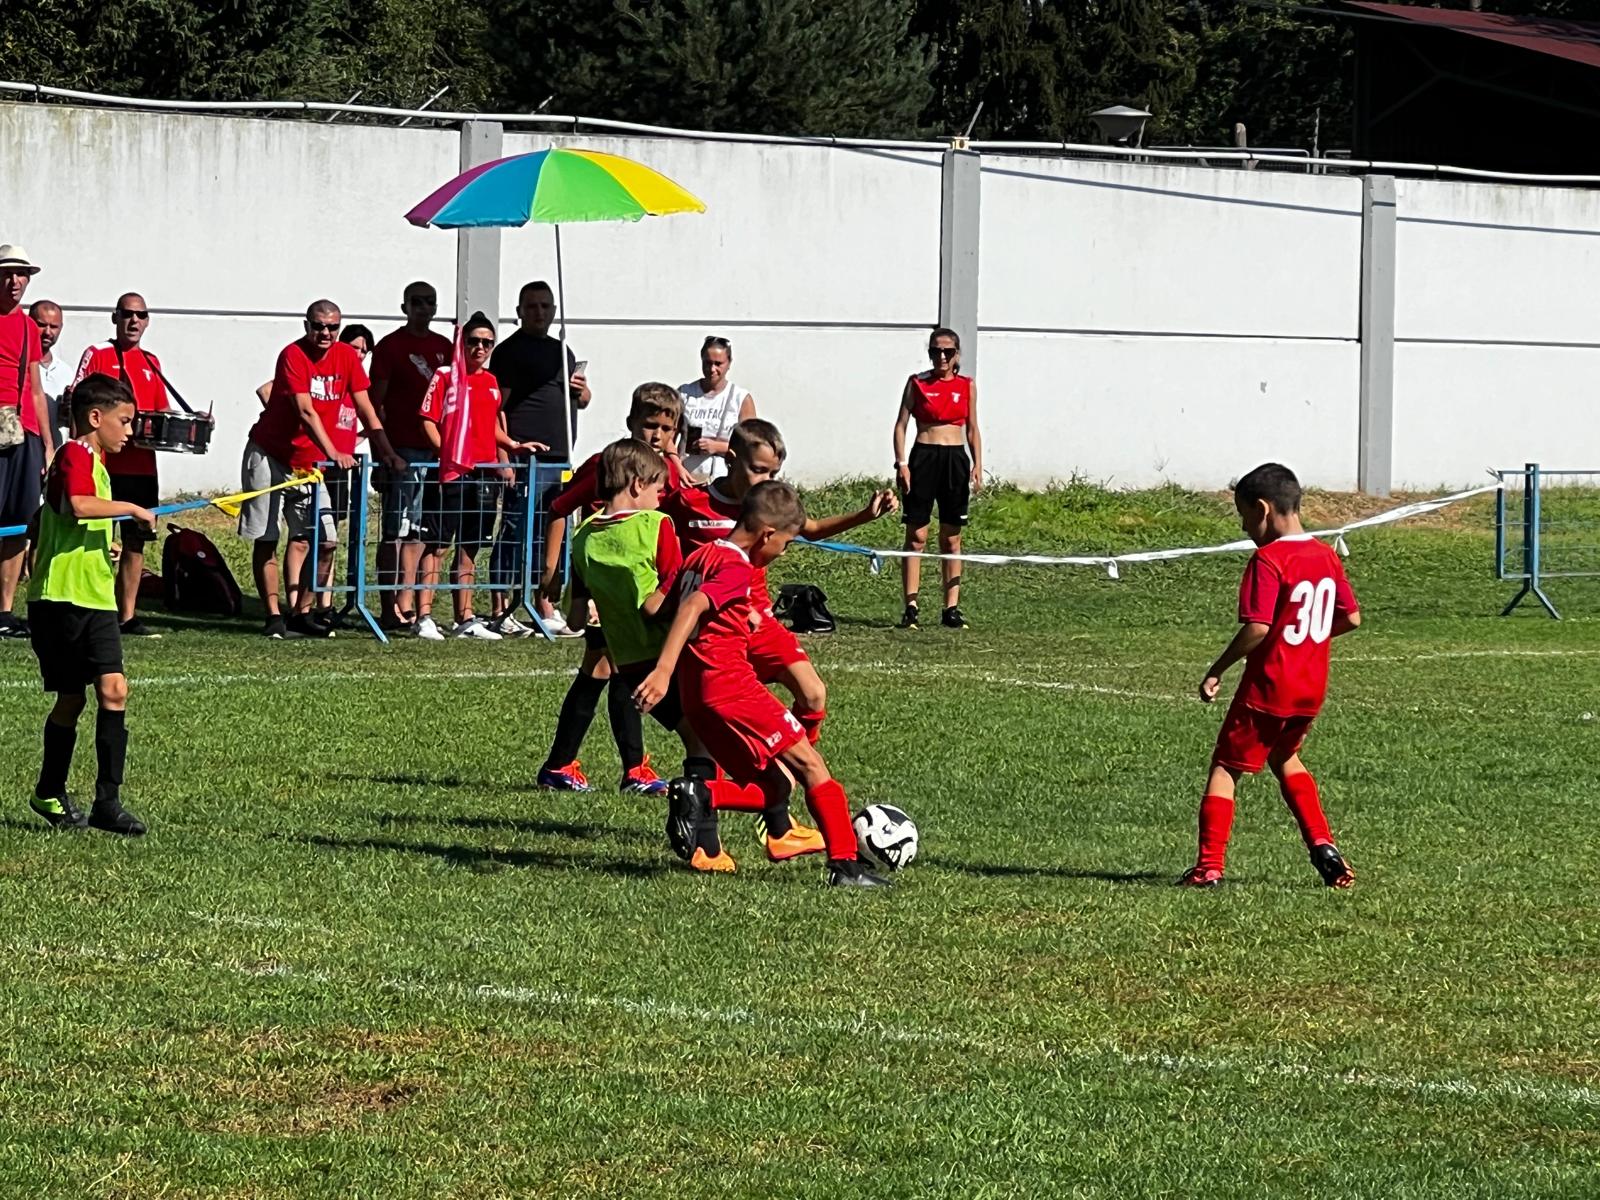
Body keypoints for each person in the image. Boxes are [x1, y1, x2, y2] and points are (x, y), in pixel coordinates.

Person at [635, 480, 890, 887]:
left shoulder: (701, 554)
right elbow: (694, 604)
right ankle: (845, 865)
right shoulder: (737, 566)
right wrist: (662, 670)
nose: (782, 552)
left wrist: (739, 614)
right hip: (731, 686)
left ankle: (702, 794)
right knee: (812, 766)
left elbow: (660, 607)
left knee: (775, 785)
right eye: (785, 544)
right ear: (767, 534)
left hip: (698, 695)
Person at [567, 439, 784, 874]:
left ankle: (727, 836)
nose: (659, 497)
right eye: (657, 488)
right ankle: (712, 842)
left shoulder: (584, 535)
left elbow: (575, 617)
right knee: (714, 742)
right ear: (636, 485)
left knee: (696, 738)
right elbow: (669, 595)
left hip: (630, 665)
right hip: (673, 655)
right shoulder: (657, 526)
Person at [1181, 462, 1361, 890]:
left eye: (1244, 517)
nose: (1245, 528)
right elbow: (1351, 618)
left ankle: (1208, 867)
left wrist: (1217, 669)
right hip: (1310, 689)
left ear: (1263, 509)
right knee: (1284, 757)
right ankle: (1324, 846)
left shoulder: (1268, 559)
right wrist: (1308, 640)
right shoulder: (1326, 556)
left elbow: (1258, 628)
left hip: (1270, 686)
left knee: (1226, 766)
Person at [536, 383, 688, 796]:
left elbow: (677, 518)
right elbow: (560, 507)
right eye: (650, 425)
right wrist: (553, 572)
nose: (656, 435)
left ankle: (561, 764)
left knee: (603, 669)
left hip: (638, 584)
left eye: (666, 429)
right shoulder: (611, 464)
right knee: (619, 667)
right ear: (630, 422)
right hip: (610, 588)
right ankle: (633, 770)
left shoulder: (666, 470)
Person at [27, 374, 153, 835]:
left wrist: (107, 544)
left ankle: (108, 802)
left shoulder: (96, 464)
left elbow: (62, 517)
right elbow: (78, 505)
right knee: (71, 698)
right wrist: (132, 509)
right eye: (125, 421)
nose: (129, 431)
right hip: (62, 597)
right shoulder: (75, 454)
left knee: (114, 690)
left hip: (95, 598)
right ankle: (49, 790)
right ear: (96, 417)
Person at [238, 300, 404, 639]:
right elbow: (305, 411)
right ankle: (273, 616)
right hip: (270, 454)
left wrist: (388, 453)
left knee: (326, 540)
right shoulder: (293, 355)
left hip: (308, 465)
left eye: (332, 327)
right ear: (307, 325)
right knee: (268, 537)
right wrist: (334, 453)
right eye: (318, 326)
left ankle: (302, 612)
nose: (325, 333)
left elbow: (367, 409)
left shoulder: (346, 356)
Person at [414, 313, 542, 640]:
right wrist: (447, 454)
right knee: (438, 545)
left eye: (487, 342)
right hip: (452, 472)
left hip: (483, 474)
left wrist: (512, 445)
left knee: (470, 547)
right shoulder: (446, 376)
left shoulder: (491, 381)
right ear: (463, 343)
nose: (480, 348)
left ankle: (465, 618)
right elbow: (428, 419)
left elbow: (491, 426)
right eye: (474, 341)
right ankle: (423, 616)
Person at [489, 280, 590, 633]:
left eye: (545, 306)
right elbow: (495, 407)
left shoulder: (563, 351)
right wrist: (504, 455)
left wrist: (583, 391)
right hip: (524, 457)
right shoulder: (508, 352)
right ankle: (501, 606)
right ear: (519, 312)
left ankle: (545, 602)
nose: (539, 312)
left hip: (560, 455)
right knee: (515, 529)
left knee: (552, 533)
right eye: (532, 306)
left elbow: (580, 399)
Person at [73, 293, 173, 638]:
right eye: (128, 314)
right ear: (115, 317)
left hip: (141, 465)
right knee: (94, 537)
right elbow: (77, 403)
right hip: (103, 463)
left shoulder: (151, 361)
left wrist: (194, 422)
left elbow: (161, 413)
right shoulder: (98, 353)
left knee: (135, 541)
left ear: (147, 321)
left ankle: (127, 615)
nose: (134, 321)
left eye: (141, 315)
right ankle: (90, 607)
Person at [369, 283, 450, 634]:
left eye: (430, 302)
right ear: (404, 306)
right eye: (417, 302)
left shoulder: (445, 347)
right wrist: (381, 455)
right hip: (402, 452)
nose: (423, 308)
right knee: (395, 532)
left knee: (421, 532)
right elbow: (374, 406)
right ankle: (388, 606)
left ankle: (408, 604)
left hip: (436, 453)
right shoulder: (390, 347)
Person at [892, 326, 983, 631]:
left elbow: (972, 428)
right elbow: (901, 425)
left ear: (956, 354)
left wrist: (977, 464)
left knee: (951, 537)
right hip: (924, 458)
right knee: (916, 536)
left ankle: (951, 608)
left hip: (954, 459)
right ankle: (911, 607)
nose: (941, 357)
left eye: (947, 351)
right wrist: (902, 463)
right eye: (935, 351)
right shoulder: (917, 383)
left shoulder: (966, 385)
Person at [0, 245, 54, 640]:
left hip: (24, 432)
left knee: (18, 523)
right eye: (7, 274)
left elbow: (36, 389)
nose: (14, 281)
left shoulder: (28, 328)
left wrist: (48, 444)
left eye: (21, 274)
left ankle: (4, 610)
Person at [678, 336, 755, 481]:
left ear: (729, 363)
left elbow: (751, 446)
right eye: (707, 363)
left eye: (718, 364)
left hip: (724, 478)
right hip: (686, 475)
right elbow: (669, 437)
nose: (712, 369)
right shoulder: (684, 393)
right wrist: (676, 466)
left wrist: (718, 447)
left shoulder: (740, 398)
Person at [30, 300, 72, 445]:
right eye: (41, 325)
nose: (47, 332)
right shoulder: (18, 366)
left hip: (58, 450)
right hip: (27, 449)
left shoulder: (66, 372)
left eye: (53, 327)